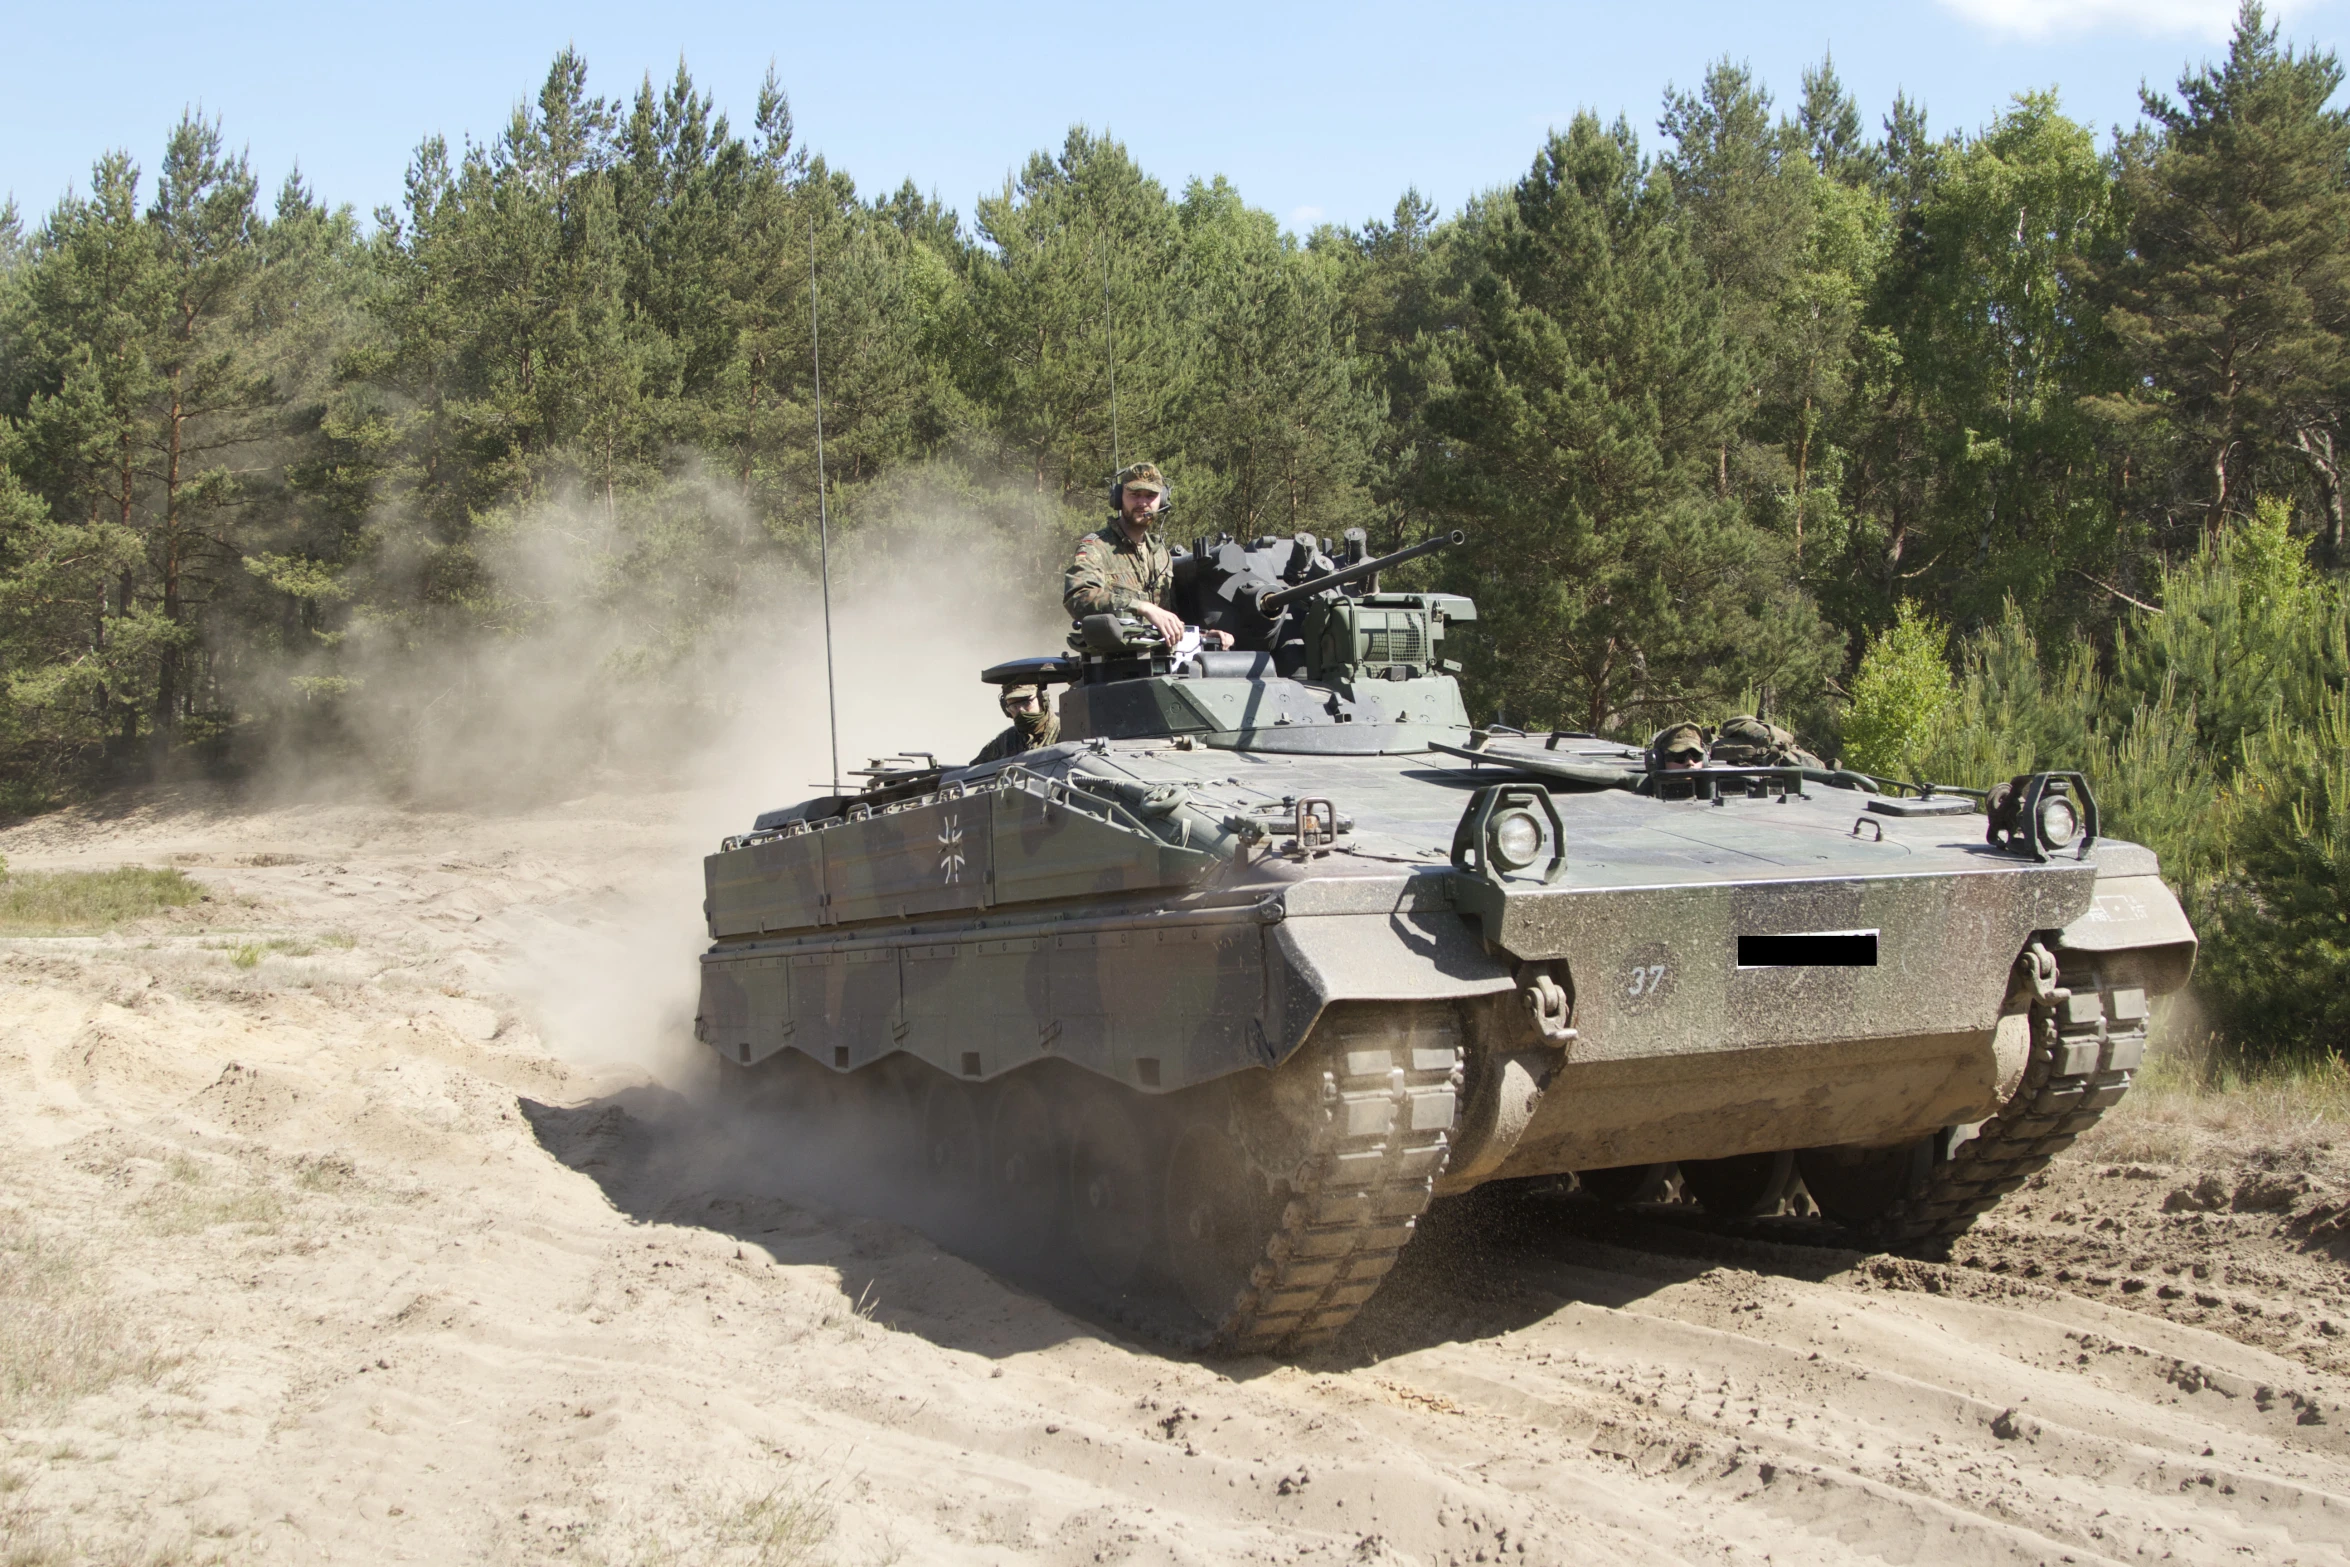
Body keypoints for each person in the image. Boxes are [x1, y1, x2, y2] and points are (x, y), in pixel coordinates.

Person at [1063, 462, 1231, 649]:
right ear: (1118, 498)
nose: (1143, 503)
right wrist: (1141, 607)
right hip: (1115, 661)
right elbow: (1078, 597)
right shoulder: (1097, 547)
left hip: (1162, 661)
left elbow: (1168, 620)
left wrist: (1203, 636)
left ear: (1162, 500)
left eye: (1150, 495)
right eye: (1135, 495)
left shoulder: (1161, 555)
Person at [971, 683, 1059, 764]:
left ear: (1042, 699)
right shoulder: (1006, 740)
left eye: (1026, 703)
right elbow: (974, 772)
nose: (1021, 711)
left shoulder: (1065, 730)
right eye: (1014, 706)